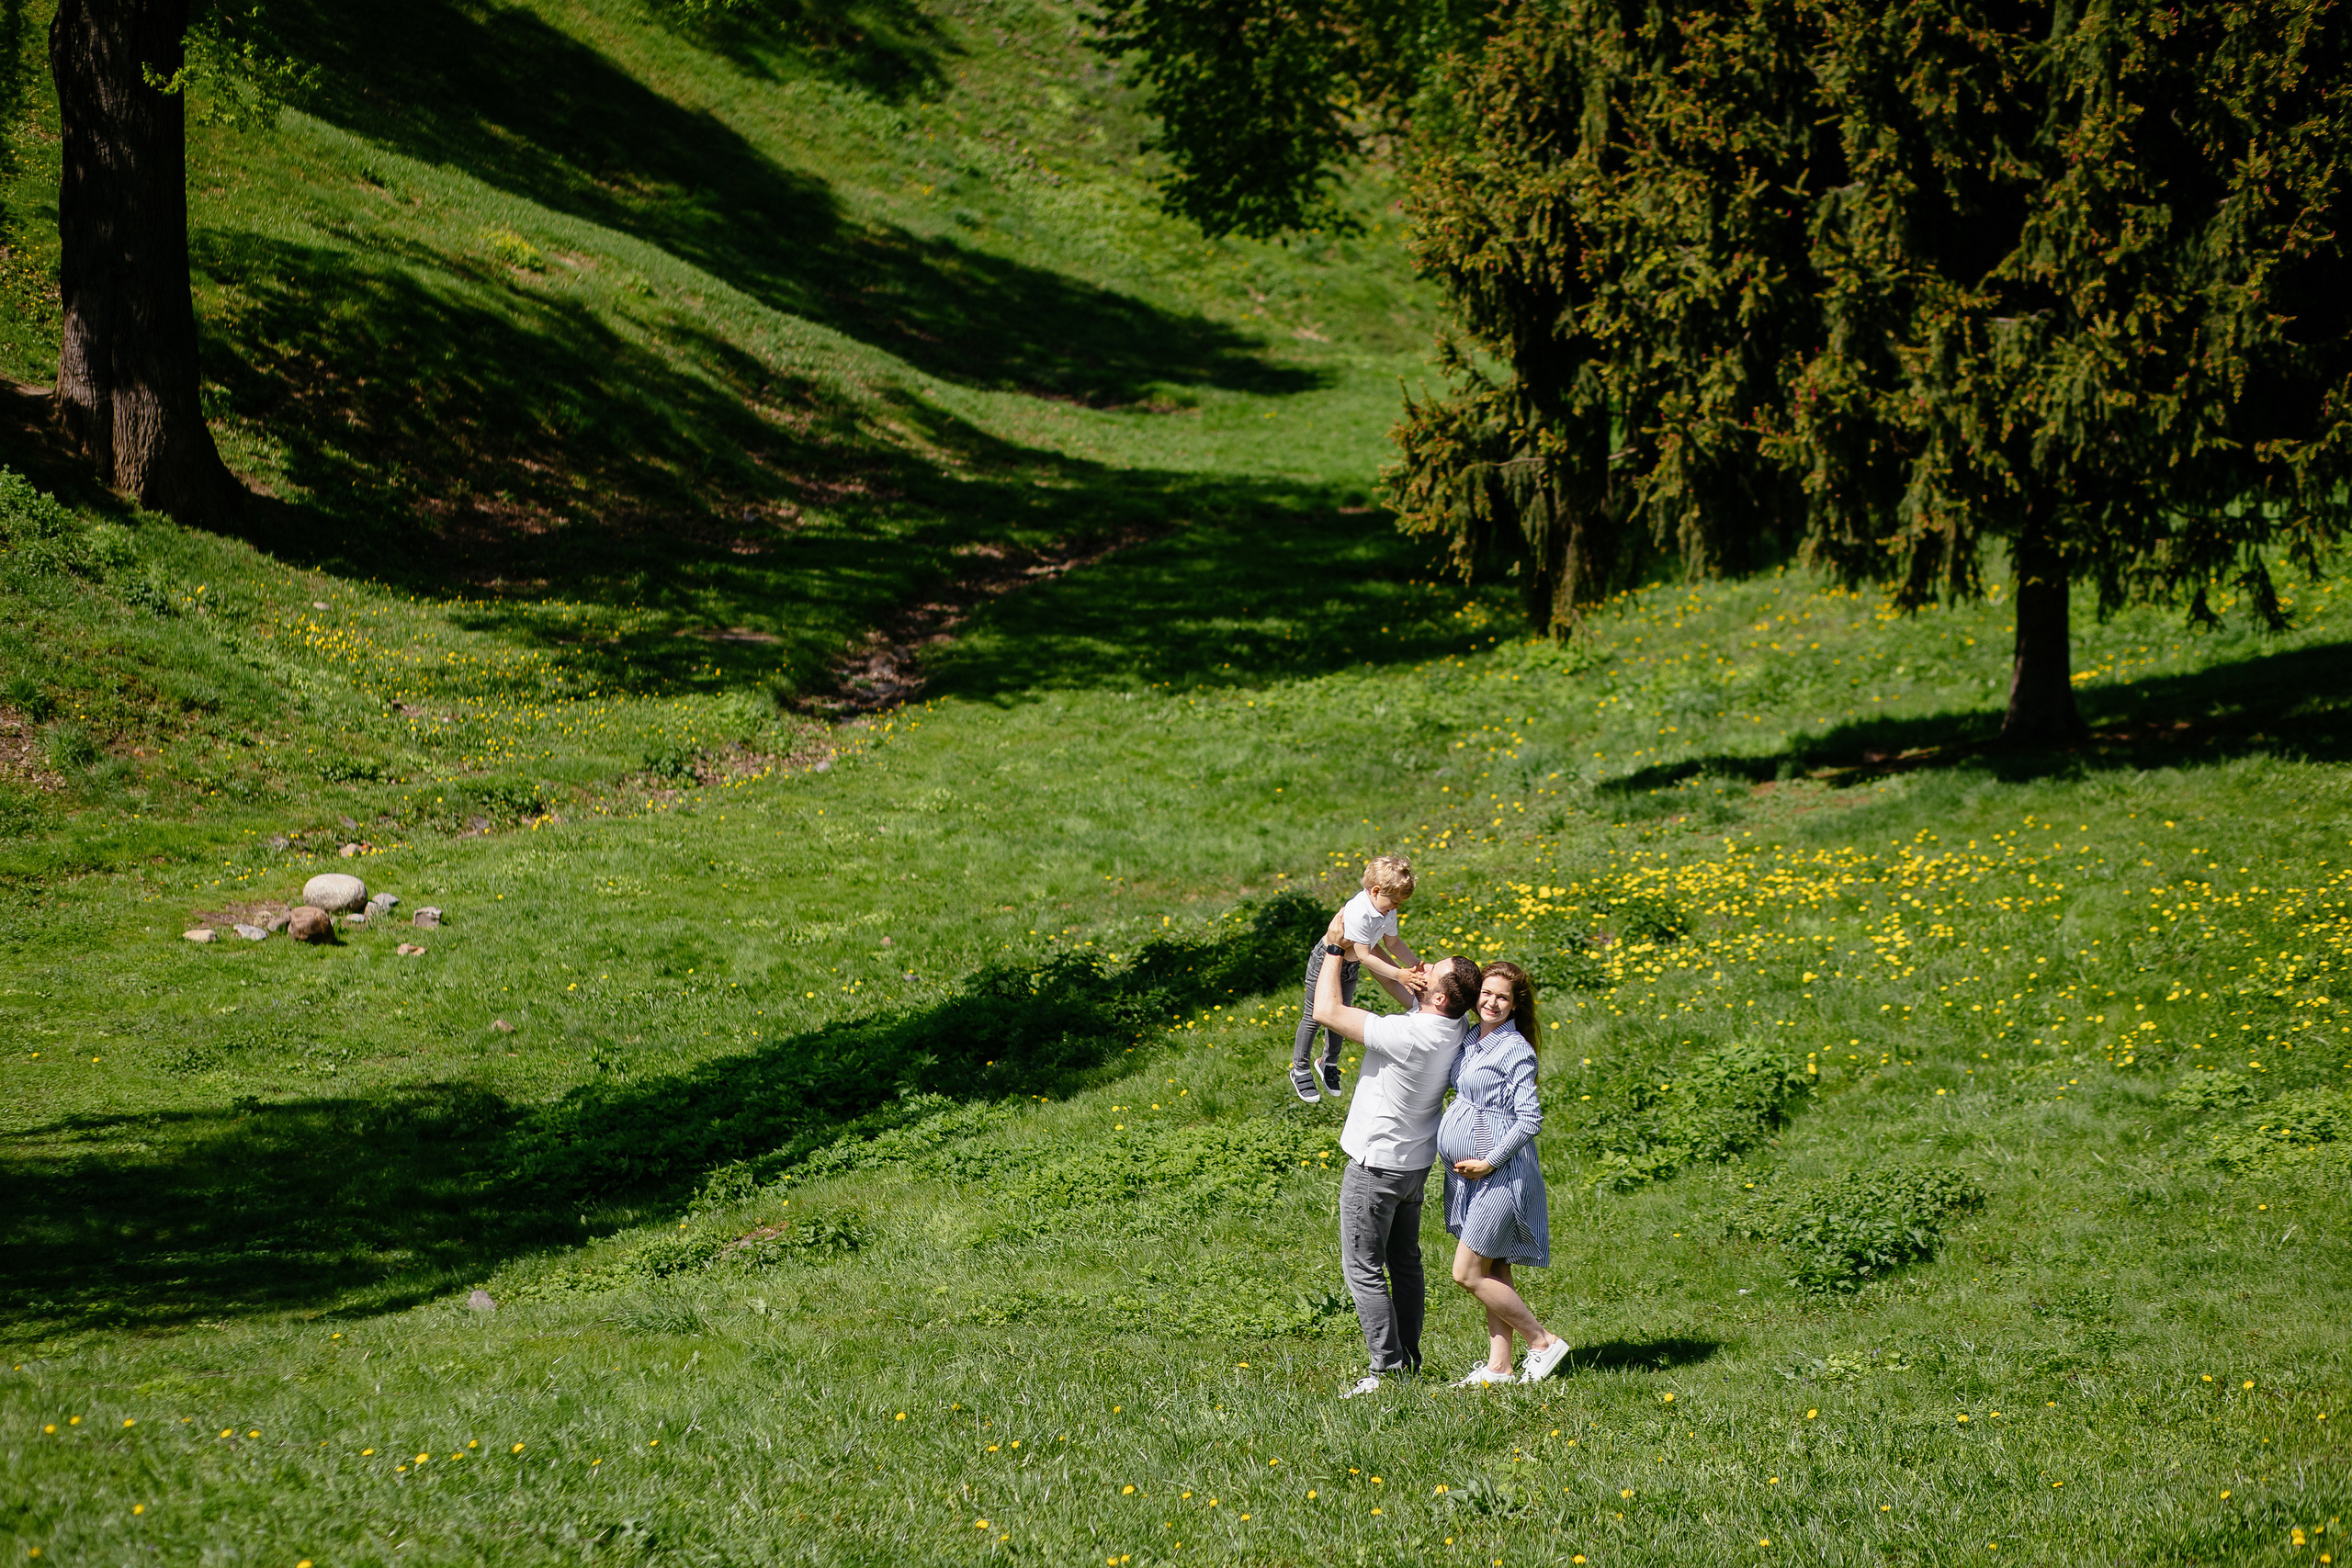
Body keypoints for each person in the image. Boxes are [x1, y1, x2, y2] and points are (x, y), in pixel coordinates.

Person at [1311, 940, 1480, 1399]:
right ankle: (1408, 1357)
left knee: (1363, 1267)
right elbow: (1406, 989)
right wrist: (1386, 961)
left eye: (1431, 971)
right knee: (1405, 1263)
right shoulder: (1454, 1024)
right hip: (1414, 1165)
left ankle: (1387, 1371)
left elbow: (1327, 1010)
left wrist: (1333, 949)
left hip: (1375, 1167)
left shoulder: (1409, 1035)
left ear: (1440, 997)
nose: (1420, 968)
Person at [1440, 960, 1568, 1386]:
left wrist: (1489, 1160)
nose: (1492, 1002)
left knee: (1468, 1273)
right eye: (1487, 994)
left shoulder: (1515, 1050)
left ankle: (1543, 1341)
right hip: (1469, 1177)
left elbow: (1529, 1120)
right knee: (1495, 1272)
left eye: (1503, 998)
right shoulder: (1472, 1039)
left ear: (1514, 1007)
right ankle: (1500, 1367)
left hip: (1500, 1174)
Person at [1291, 855, 1423, 1104]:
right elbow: (1365, 955)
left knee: (1342, 1013)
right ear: (1375, 891)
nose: (1395, 908)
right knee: (1312, 1016)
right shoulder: (1361, 912)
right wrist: (1399, 974)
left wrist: (1415, 964)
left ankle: (1328, 1062)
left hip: (1348, 965)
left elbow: (1392, 943)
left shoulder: (1384, 910)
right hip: (1327, 961)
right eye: (1393, 903)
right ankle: (1300, 1068)